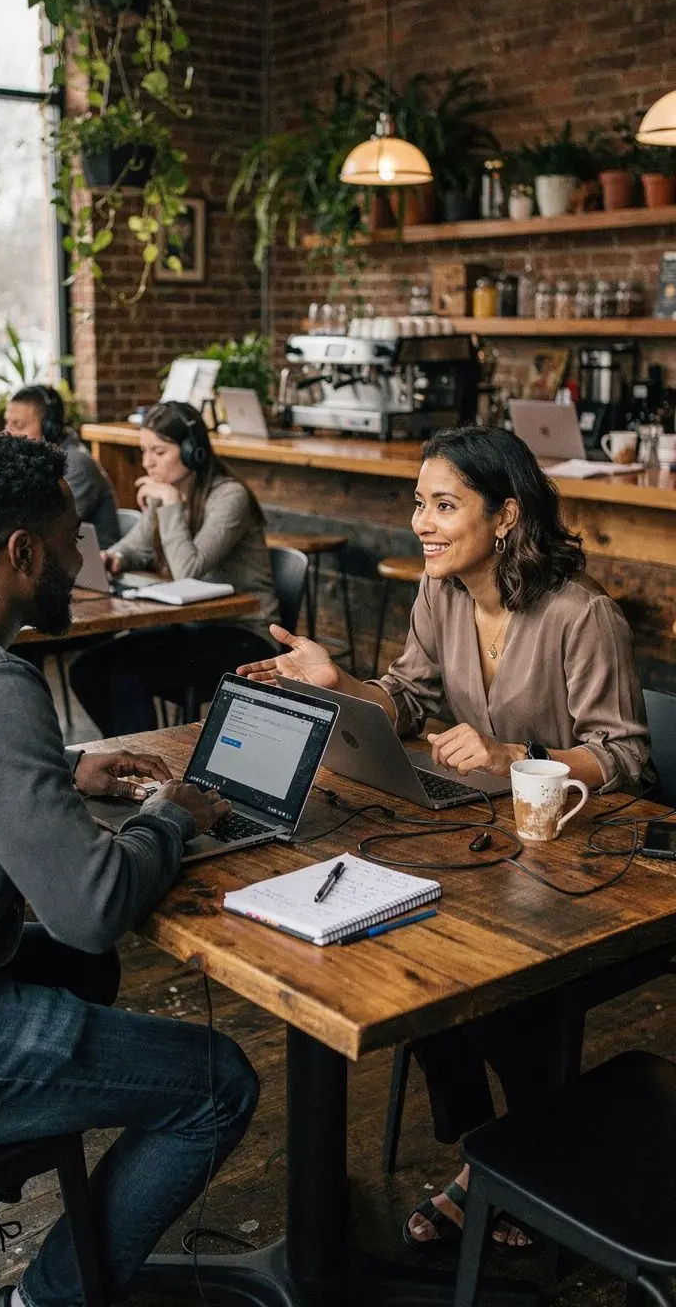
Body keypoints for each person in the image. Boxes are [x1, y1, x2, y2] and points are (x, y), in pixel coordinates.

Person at [0, 431, 258, 1307]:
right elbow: (91, 904)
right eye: (74, 539)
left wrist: (55, 769)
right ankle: (40, 1300)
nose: (86, 558)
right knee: (217, 1082)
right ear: (23, 551)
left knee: (86, 971)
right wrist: (170, 819)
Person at [239, 423, 649, 1252]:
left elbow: (626, 755)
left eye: (443, 505)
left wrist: (517, 756)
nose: (421, 522)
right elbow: (410, 698)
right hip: (483, 841)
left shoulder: (583, 615)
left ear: (504, 515)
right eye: (418, 504)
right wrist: (342, 682)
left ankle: (508, 1159)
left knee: (477, 984)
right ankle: (485, 1148)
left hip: (569, 855)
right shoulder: (440, 596)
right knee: (392, 950)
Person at [69, 400, 281, 737]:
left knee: (127, 675)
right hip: (191, 626)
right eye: (144, 451)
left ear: (191, 451)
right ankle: (128, 754)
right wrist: (115, 558)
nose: (147, 462)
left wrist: (169, 504)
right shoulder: (165, 493)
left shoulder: (230, 497)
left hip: (244, 635)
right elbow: (135, 546)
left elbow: (188, 569)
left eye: (158, 451)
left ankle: (148, 769)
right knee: (86, 668)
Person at [4, 384, 120, 548]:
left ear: (48, 428)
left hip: (96, 565)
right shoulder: (33, 461)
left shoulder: (75, 464)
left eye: (19, 425)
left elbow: (46, 527)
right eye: (8, 423)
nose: (9, 433)